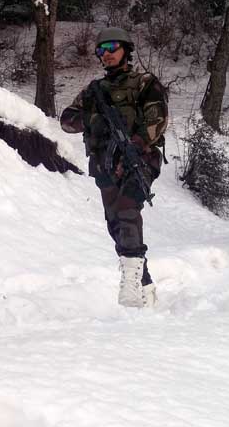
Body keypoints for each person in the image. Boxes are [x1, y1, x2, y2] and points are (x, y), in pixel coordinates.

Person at [60, 27, 169, 308]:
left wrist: (136, 144)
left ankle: (130, 288)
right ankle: (145, 286)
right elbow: (67, 121)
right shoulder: (93, 90)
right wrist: (94, 119)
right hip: (104, 164)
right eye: (101, 50)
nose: (106, 54)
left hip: (138, 159)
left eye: (111, 48)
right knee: (116, 225)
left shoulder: (144, 83)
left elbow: (157, 120)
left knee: (127, 209)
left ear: (126, 50)